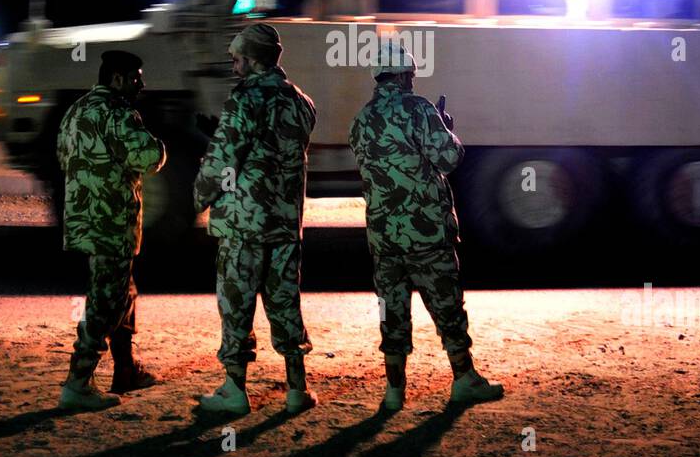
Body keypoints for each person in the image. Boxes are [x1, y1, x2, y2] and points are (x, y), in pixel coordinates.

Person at [348, 40, 503, 410]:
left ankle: (394, 392)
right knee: (447, 307)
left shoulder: (361, 119)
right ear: (403, 74)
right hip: (426, 232)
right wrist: (446, 128)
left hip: (384, 236)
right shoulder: (420, 109)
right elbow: (449, 158)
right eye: (411, 75)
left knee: (392, 311)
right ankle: (464, 379)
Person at [193, 23, 318, 415]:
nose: (233, 64)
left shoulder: (244, 98)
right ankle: (297, 389)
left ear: (252, 58)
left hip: (245, 224)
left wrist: (200, 195)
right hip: (284, 222)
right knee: (284, 302)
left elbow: (224, 159)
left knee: (237, 302)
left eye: (237, 58)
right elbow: (274, 147)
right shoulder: (301, 101)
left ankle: (234, 390)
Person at [55, 50, 167, 411]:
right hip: (112, 223)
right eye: (136, 76)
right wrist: (161, 147)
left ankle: (126, 371)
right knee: (106, 301)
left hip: (82, 219)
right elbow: (148, 157)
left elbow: (62, 156)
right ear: (117, 79)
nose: (141, 83)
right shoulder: (120, 114)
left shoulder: (75, 111)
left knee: (123, 292)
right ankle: (78, 382)